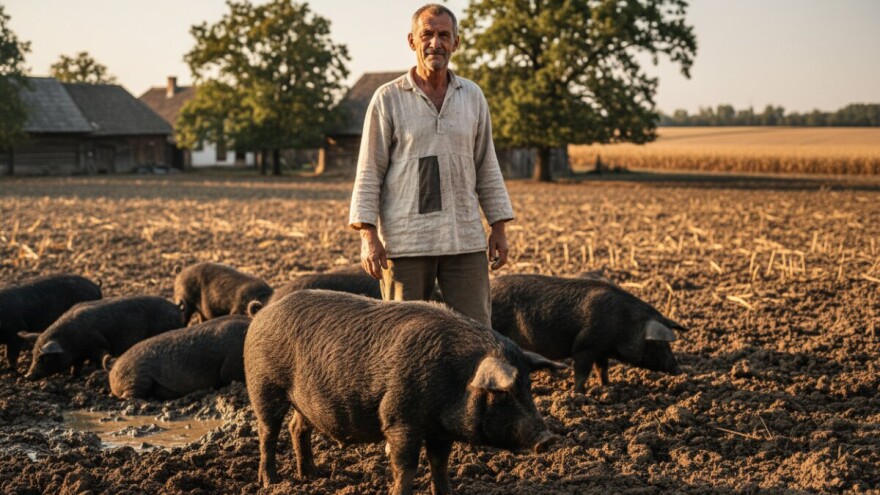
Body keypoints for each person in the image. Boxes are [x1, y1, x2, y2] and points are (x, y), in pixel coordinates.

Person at [349, 3, 514, 327]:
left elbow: (487, 165)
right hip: (406, 240)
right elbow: (369, 170)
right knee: (404, 337)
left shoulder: (472, 96)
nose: (435, 43)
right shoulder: (388, 98)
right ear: (412, 41)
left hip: (464, 237)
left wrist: (498, 226)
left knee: (476, 332)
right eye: (427, 34)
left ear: (456, 42)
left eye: (443, 35)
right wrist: (368, 235)